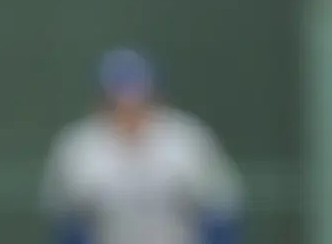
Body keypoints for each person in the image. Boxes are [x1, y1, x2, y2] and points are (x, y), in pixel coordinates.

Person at [39, 48, 243, 244]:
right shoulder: (79, 146)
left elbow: (221, 210)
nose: (128, 101)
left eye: (136, 90)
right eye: (119, 91)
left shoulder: (186, 139)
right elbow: (65, 222)